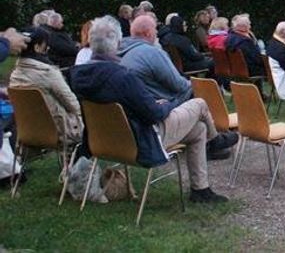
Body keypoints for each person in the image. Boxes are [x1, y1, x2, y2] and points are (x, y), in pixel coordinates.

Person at [71, 16, 235, 203]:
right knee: (199, 104)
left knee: (199, 129)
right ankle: (215, 141)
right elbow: (154, 114)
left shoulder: (78, 76)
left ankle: (201, 190)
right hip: (140, 142)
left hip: (104, 141)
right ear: (116, 42)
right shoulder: (122, 77)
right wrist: (169, 103)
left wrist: (152, 103)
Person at [9, 25, 84, 144]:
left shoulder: (15, 73)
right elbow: (72, 104)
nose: (48, 48)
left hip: (26, 130)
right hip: (58, 131)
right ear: (37, 47)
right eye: (45, 45)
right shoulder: (48, 73)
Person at [118, 15, 192, 106]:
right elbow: (179, 85)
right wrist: (193, 84)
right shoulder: (152, 53)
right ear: (148, 33)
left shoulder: (122, 54)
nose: (157, 32)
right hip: (165, 106)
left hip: (141, 107)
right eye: (155, 29)